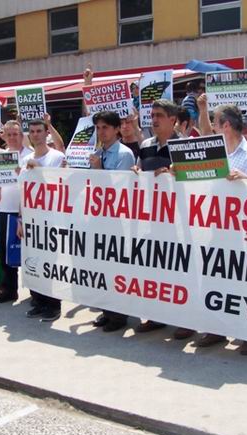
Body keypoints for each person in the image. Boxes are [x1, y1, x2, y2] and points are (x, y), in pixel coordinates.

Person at [197, 99, 247, 354]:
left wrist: (245, 180)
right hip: (217, 228)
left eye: (216, 123)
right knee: (215, 279)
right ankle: (217, 329)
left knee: (244, 284)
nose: (213, 128)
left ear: (226, 125)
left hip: (244, 233)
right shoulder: (216, 152)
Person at [133, 99, 193, 340]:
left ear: (172, 119)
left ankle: (187, 320)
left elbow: (198, 182)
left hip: (181, 221)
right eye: (152, 115)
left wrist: (174, 174)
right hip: (153, 219)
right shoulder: (146, 145)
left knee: (181, 270)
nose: (154, 119)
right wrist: (136, 173)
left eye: (159, 115)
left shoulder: (186, 146)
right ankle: (157, 316)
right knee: (156, 268)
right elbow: (140, 170)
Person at [89, 111, 135, 332]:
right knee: (102, 267)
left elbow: (119, 190)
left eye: (105, 127)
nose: (101, 132)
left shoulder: (124, 154)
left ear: (117, 129)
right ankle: (107, 311)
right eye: (98, 128)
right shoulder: (98, 153)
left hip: (118, 220)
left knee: (116, 268)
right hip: (100, 218)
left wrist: (98, 170)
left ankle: (119, 316)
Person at [22, 119, 66, 321]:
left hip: (51, 219)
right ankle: (38, 301)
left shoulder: (57, 157)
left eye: (39, 131)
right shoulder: (25, 159)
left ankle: (53, 305)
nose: (35, 134)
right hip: (31, 220)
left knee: (50, 263)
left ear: (47, 133)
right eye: (32, 131)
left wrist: (39, 169)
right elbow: (23, 191)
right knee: (33, 261)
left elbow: (59, 186)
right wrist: (20, 219)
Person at [0, 120, 33, 303]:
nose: (12, 137)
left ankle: (36, 293)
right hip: (4, 209)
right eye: (8, 134)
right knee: (5, 254)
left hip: (25, 212)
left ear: (21, 135)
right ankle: (9, 290)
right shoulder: (0, 156)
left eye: (15, 134)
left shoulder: (30, 155)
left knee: (28, 253)